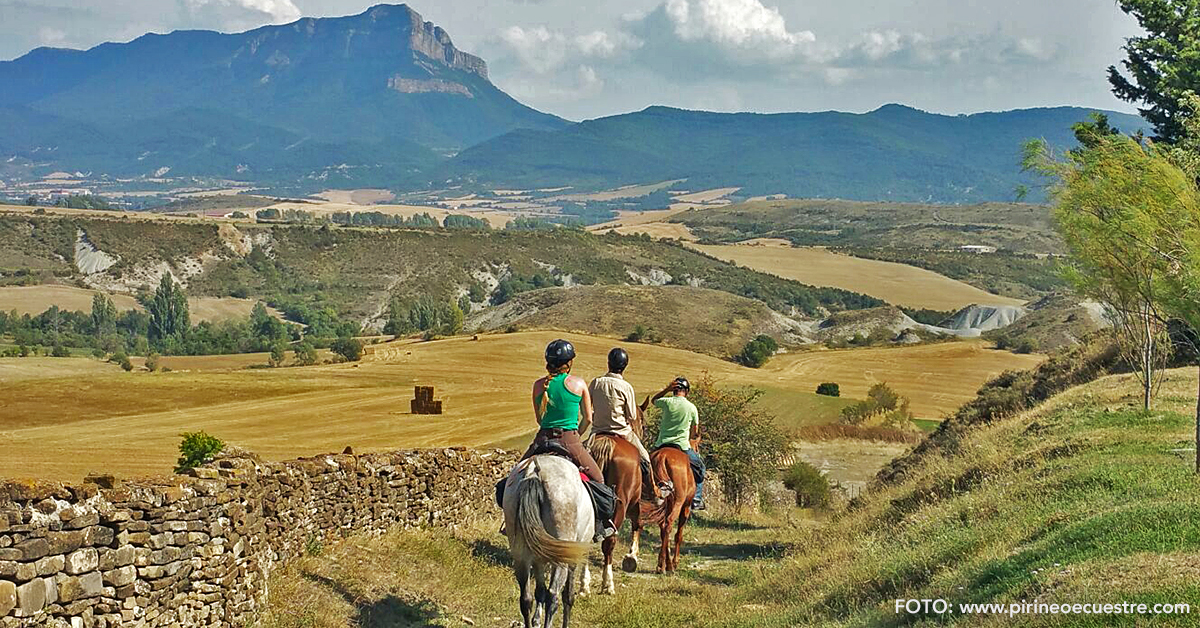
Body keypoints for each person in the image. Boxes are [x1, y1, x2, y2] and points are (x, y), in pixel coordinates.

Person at [499, 339, 615, 540]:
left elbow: (539, 419)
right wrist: (576, 435)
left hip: (541, 440)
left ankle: (509, 524)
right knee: (599, 480)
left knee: (510, 482)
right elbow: (588, 418)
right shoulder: (578, 384)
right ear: (569, 363)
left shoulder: (538, 386)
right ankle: (600, 526)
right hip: (570, 441)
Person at [587, 347, 671, 505]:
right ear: (625, 366)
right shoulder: (626, 387)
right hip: (622, 432)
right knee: (645, 458)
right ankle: (654, 492)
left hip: (597, 432)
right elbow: (632, 415)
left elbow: (586, 406)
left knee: (579, 459)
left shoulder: (596, 382)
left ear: (608, 363)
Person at [651, 376, 706, 510]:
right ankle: (697, 499)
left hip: (661, 444)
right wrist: (692, 437)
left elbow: (654, 400)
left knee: (645, 467)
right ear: (686, 391)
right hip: (681, 446)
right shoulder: (692, 407)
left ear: (674, 390)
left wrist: (666, 389)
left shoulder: (667, 402)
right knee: (700, 468)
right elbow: (695, 431)